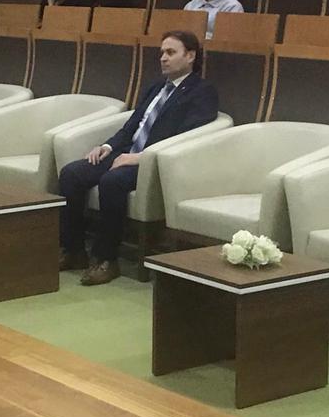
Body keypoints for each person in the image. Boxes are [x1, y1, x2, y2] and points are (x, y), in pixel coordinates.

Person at [57, 30, 218, 285]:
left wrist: (142, 158)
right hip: (126, 152)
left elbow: (187, 138)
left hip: (154, 162)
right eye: (162, 53)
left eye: (171, 52)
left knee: (112, 181)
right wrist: (107, 146)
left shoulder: (202, 91)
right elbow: (132, 125)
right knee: (71, 174)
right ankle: (73, 249)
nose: (163, 58)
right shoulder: (156, 87)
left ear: (190, 56)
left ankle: (106, 259)